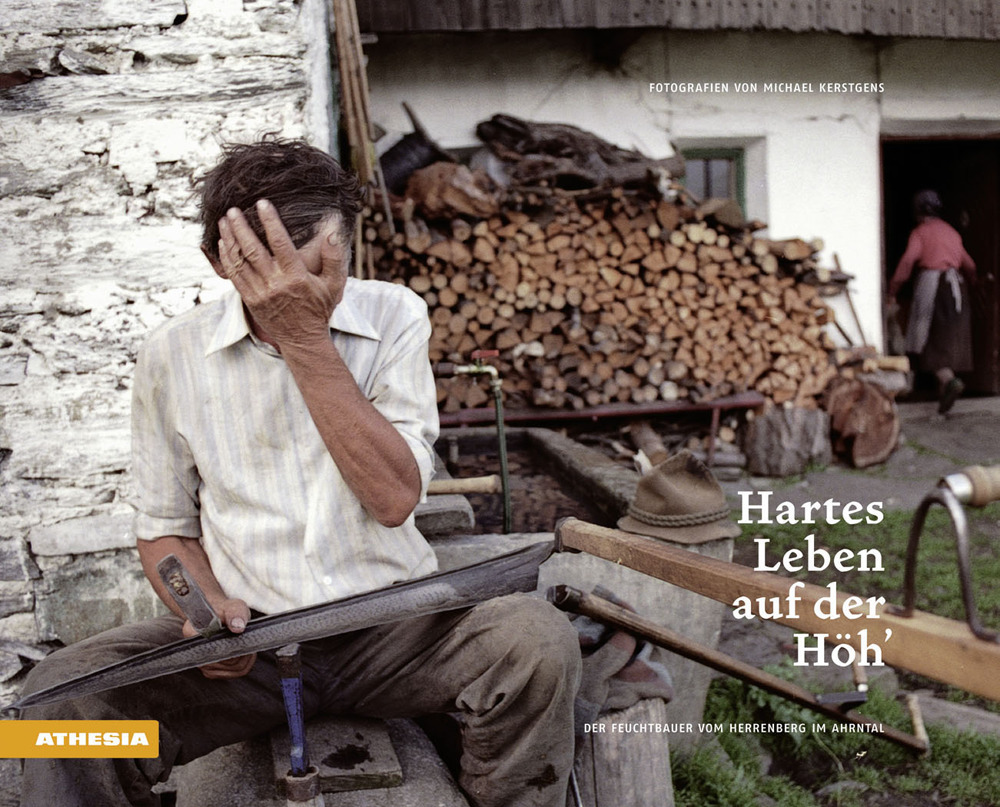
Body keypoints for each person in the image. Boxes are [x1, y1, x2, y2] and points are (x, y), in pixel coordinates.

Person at [18, 138, 581, 807]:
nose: (301, 297)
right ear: (218, 263)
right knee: (55, 712)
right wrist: (204, 612)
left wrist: (305, 340)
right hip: (250, 648)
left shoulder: (394, 315)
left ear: (347, 250)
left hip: (396, 631)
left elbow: (394, 498)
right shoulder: (171, 353)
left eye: (317, 275)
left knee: (537, 642)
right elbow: (165, 529)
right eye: (271, 284)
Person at [887, 189, 977, 414]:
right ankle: (944, 394)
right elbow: (970, 265)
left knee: (926, 337)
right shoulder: (951, 232)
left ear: (918, 212)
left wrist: (893, 289)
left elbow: (907, 261)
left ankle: (948, 381)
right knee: (946, 337)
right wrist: (973, 283)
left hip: (933, 286)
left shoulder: (921, 232)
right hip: (955, 288)